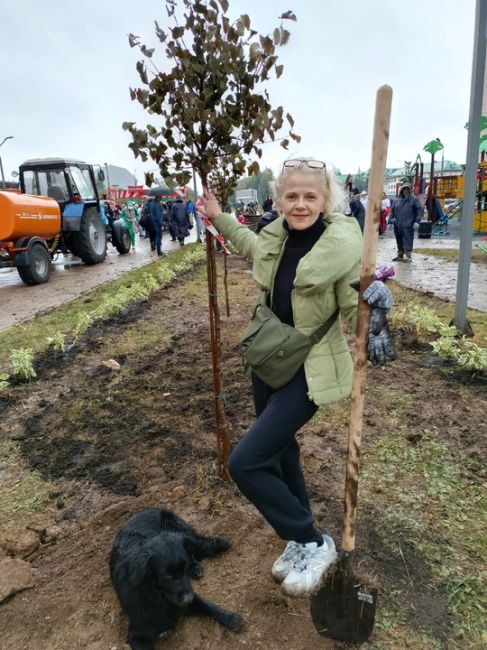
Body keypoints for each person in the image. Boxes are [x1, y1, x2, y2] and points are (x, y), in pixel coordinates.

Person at [198, 158, 395, 598]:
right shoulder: (276, 236)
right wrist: (218, 217)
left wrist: (376, 309)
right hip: (270, 359)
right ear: (279, 199)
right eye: (292, 195)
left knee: (245, 462)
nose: (300, 204)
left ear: (326, 200)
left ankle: (310, 539)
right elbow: (249, 245)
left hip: (308, 369)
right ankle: (298, 539)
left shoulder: (340, 249)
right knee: (282, 450)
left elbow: (353, 309)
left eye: (310, 196)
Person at [390, 183, 422, 262]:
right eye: (404, 189)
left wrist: (417, 221)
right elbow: (392, 211)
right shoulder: (396, 200)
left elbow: (418, 211)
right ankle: (400, 255)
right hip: (397, 224)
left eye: (407, 189)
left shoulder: (414, 200)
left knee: (408, 239)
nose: (405, 191)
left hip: (408, 224)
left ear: (410, 190)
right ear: (402, 190)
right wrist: (390, 219)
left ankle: (408, 255)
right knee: (399, 239)